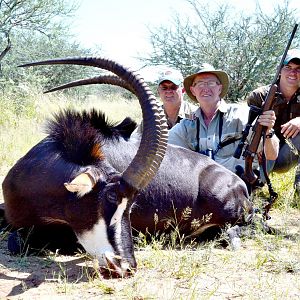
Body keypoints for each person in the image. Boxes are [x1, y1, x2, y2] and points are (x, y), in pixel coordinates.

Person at [168, 63, 279, 177]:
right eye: (200, 84)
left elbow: (272, 155)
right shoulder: (186, 124)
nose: (206, 88)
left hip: (237, 187)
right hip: (203, 189)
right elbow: (162, 148)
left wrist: (268, 131)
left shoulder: (242, 115)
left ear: (220, 88)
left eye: (211, 83)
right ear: (193, 90)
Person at [247, 48, 300, 194]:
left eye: (298, 69)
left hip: (287, 155)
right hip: (262, 154)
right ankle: (252, 185)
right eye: (288, 67)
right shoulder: (259, 96)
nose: (293, 73)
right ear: (279, 69)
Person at [133, 69, 197, 135]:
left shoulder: (196, 114)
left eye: (173, 87)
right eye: (164, 87)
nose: (168, 91)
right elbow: (138, 140)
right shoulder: (152, 117)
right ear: (158, 91)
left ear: (183, 90)